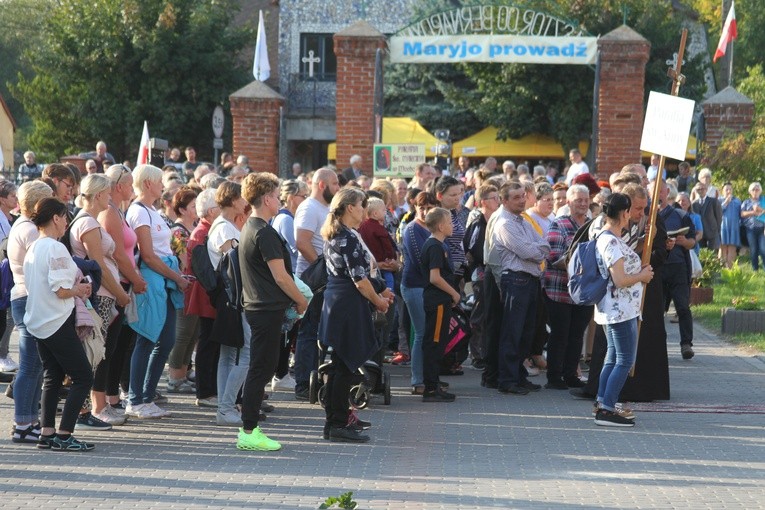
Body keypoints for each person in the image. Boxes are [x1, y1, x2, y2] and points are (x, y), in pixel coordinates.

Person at [237, 173, 308, 451]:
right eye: (277, 196)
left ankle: (250, 427)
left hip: (261, 307)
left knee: (261, 368)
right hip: (264, 308)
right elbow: (280, 276)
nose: (279, 200)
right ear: (266, 199)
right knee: (260, 369)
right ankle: (249, 430)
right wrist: (301, 301)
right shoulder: (262, 232)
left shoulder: (251, 227)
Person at [319, 187, 391, 442]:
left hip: (341, 301)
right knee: (346, 364)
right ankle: (337, 422)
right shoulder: (346, 236)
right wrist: (379, 301)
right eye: (361, 205)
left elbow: (364, 274)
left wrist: (381, 289)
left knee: (341, 364)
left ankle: (336, 419)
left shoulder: (342, 232)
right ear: (350, 207)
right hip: (347, 303)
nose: (363, 209)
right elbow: (359, 279)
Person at [24, 197, 95, 450]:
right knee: (83, 376)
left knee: (52, 376)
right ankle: (64, 434)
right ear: (55, 218)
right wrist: (81, 289)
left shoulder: (35, 246)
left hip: (39, 320)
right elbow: (61, 290)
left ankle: (47, 433)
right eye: (65, 217)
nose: (66, 222)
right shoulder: (55, 248)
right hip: (56, 320)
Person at [125, 164, 189, 419]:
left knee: (166, 340)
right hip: (154, 280)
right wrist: (176, 276)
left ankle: (147, 396)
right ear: (149, 183)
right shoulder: (139, 212)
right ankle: (136, 397)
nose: (163, 185)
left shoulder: (153, 211)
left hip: (165, 280)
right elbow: (149, 256)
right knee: (148, 339)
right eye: (160, 181)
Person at [69, 174, 132, 427]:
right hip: (101, 296)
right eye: (106, 193)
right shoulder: (89, 224)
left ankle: (94, 406)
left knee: (101, 350)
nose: (110, 197)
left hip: (103, 295)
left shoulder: (89, 221)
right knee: (96, 351)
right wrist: (120, 294)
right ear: (97, 195)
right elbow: (99, 267)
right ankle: (89, 409)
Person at [592, 193, 653, 427]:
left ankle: (603, 401)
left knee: (614, 356)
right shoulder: (609, 241)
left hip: (619, 307)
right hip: (619, 308)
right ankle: (607, 409)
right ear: (625, 213)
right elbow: (619, 279)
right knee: (625, 359)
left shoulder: (611, 238)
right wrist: (643, 276)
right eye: (631, 211)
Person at [489, 182, 550, 395]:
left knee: (527, 332)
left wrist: (537, 250)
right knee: (512, 332)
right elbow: (528, 252)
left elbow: (543, 244)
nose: (522, 200)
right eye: (515, 197)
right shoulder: (505, 223)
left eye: (523, 196)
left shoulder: (523, 221)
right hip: (516, 280)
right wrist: (537, 250)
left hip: (530, 280)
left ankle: (519, 375)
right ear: (504, 200)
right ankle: (507, 379)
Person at [7, 181, 53, 444]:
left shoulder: (22, 226)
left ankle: (29, 420)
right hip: (29, 299)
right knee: (30, 365)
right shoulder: (30, 230)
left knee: (34, 365)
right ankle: (23, 422)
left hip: (26, 297)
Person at [293, 168, 339, 400]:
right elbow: (302, 241)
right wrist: (321, 267)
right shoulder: (310, 207)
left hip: (325, 280)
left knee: (320, 333)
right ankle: (303, 382)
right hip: (313, 281)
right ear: (321, 185)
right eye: (334, 183)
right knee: (309, 332)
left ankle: (315, 379)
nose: (338, 187)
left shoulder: (325, 207)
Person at [543, 185, 593, 390]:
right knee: (560, 334)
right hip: (560, 289)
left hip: (585, 291)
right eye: (578, 200)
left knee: (577, 334)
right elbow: (554, 257)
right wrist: (582, 264)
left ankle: (571, 374)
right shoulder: (559, 224)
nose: (582, 203)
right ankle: (554, 377)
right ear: (568, 202)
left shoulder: (593, 225)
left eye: (586, 199)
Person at [420, 207, 460, 402]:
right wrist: (454, 293)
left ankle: (434, 383)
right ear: (441, 225)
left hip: (441, 302)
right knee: (434, 343)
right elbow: (434, 277)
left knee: (438, 342)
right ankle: (430, 387)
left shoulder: (440, 245)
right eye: (450, 222)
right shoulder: (434, 246)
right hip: (437, 302)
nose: (452, 226)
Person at [401, 192, 440, 394]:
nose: (425, 212)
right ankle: (418, 380)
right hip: (414, 285)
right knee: (421, 332)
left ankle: (429, 376)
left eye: (429, 207)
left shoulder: (433, 227)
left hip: (428, 286)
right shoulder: (411, 229)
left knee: (429, 333)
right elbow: (419, 260)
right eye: (421, 207)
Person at [166, 187, 202, 394]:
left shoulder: (191, 228)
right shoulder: (179, 232)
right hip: (184, 287)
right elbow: (184, 262)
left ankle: (183, 371)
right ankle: (174, 377)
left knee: (193, 332)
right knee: (183, 333)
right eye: (193, 206)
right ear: (182, 209)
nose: (196, 209)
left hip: (194, 286)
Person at [656, 180, 697, 360]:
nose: (658, 195)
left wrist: (683, 241)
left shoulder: (680, 215)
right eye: (654, 191)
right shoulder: (646, 215)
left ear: (667, 192)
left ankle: (686, 344)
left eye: (661, 191)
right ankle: (658, 347)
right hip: (657, 267)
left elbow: (692, 241)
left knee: (682, 307)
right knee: (657, 310)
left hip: (678, 267)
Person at [463, 184, 500, 371]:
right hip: (481, 274)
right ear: (483, 201)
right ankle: (476, 353)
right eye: (494, 197)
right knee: (479, 313)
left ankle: (487, 351)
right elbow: (473, 249)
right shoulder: (478, 223)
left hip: (495, 274)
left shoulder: (498, 220)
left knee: (491, 314)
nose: (498, 201)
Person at [0, 180, 18, 373]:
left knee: (9, 316)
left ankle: (2, 353)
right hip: (3, 272)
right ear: (2, 199)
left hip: (9, 272)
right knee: (7, 317)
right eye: (12, 196)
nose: (16, 199)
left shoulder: (12, 219)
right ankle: (2, 354)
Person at [740, 182, 765, 270]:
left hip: (762, 229)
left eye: (757, 189)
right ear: (750, 192)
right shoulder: (746, 202)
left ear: (760, 191)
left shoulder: (763, 200)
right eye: (753, 189)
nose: (755, 191)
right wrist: (753, 212)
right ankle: (755, 269)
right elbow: (742, 214)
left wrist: (760, 209)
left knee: (763, 249)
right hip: (750, 229)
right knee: (753, 250)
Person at [691, 181, 722, 251]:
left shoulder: (713, 201)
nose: (700, 191)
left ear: (706, 189)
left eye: (702, 189)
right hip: (700, 234)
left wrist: (717, 231)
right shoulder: (693, 204)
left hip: (712, 233)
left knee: (712, 256)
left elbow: (719, 217)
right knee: (701, 256)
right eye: (698, 189)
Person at [718, 183, 741, 268]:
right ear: (722, 191)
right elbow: (718, 211)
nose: (728, 191)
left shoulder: (737, 201)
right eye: (726, 189)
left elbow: (740, 214)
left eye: (730, 189)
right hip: (722, 227)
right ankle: (720, 269)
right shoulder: (719, 200)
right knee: (722, 247)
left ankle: (730, 270)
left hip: (734, 228)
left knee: (732, 248)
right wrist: (726, 202)